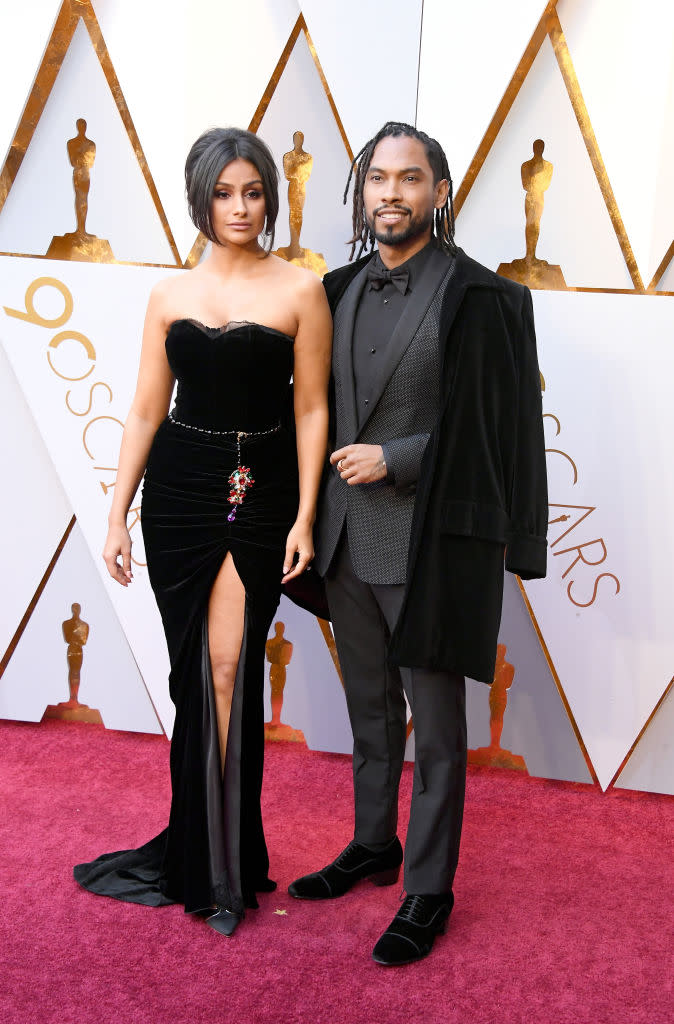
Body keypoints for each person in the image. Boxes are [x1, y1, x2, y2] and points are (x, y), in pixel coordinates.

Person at [288, 122, 548, 966]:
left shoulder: (485, 298)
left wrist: (397, 457)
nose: (391, 192)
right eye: (377, 179)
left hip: (430, 544)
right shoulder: (329, 289)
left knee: (436, 734)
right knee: (370, 712)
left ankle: (428, 890)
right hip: (341, 543)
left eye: (410, 178)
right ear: (361, 193)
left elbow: (498, 431)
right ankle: (374, 843)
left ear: (440, 192)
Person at [73, 127, 331, 937]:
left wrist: (306, 514)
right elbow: (149, 408)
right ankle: (205, 849)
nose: (240, 207)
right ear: (201, 199)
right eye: (224, 193)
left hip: (260, 491)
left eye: (253, 192)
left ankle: (222, 867)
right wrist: (117, 512)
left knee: (228, 669)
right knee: (195, 678)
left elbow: (313, 408)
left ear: (271, 198)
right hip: (181, 495)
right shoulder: (168, 295)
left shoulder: (301, 290)